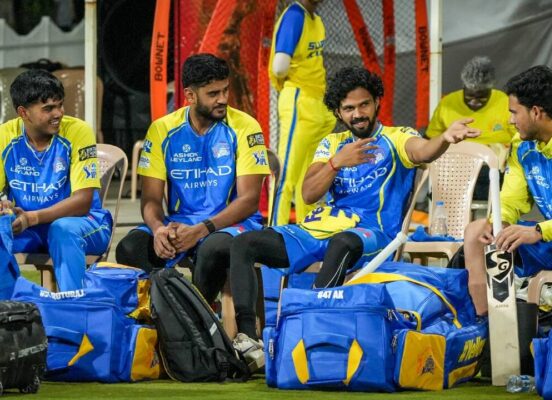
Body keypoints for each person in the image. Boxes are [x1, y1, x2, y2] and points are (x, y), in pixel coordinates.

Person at [227, 67, 481, 367]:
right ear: (338, 112)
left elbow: (423, 151)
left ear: (377, 102)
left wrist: (445, 138)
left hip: (372, 234)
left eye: (364, 105)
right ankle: (249, 340)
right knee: (244, 244)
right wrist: (336, 162)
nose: (358, 114)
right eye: (349, 108)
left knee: (343, 243)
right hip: (319, 229)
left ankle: (311, 327)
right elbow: (308, 194)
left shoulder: (397, 137)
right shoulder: (331, 144)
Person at [115, 54, 270, 310]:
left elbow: (249, 200)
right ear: (190, 95)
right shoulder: (162, 129)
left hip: (231, 224)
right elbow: (151, 198)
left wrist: (201, 230)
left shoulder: (245, 127)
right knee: (130, 248)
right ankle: (172, 313)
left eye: (225, 90)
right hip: (180, 223)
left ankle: (196, 316)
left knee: (214, 249)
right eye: (213, 93)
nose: (223, 99)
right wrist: (159, 230)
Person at [464, 65, 552, 320]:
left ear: (536, 112)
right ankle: (487, 327)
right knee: (477, 232)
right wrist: (499, 222)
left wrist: (539, 231)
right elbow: (510, 199)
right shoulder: (522, 145)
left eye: (514, 112)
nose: (510, 120)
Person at [0, 69, 112, 291]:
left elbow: (82, 202)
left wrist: (31, 218)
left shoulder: (78, 131)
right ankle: (10, 306)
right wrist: (5, 208)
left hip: (84, 223)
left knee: (62, 230)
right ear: (23, 112)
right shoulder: (5, 135)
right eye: (48, 108)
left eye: (60, 105)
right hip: (30, 227)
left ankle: (73, 307)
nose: (58, 113)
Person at [268, 0, 336, 225]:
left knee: (309, 175)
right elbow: (279, 66)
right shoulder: (294, 16)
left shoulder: (316, 20)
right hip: (299, 100)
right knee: (286, 173)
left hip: (317, 102)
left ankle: (306, 230)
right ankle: (274, 233)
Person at [426, 56, 516, 199]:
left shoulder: (504, 102)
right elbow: (431, 138)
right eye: (469, 96)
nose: (474, 102)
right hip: (454, 167)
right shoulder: (448, 103)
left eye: (481, 97)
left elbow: (518, 139)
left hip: (492, 168)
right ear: (464, 87)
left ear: (490, 90)